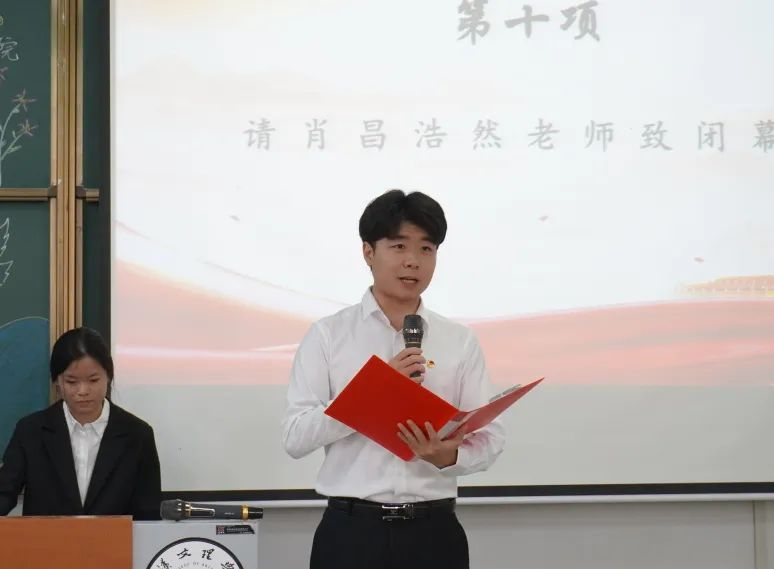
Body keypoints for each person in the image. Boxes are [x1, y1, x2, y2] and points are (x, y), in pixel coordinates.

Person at [282, 189, 505, 569]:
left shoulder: (459, 341)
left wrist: (448, 456)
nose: (413, 261)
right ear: (368, 252)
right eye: (399, 246)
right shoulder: (329, 335)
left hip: (434, 532)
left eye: (426, 249)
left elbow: (490, 438)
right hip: (351, 533)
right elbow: (295, 437)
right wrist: (370, 393)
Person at [0, 327, 161, 519]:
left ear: (108, 376)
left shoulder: (137, 435)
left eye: (93, 380)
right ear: (57, 381)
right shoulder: (31, 431)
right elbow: (4, 492)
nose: (83, 391)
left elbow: (148, 513)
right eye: (72, 382)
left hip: (113, 539)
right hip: (47, 539)